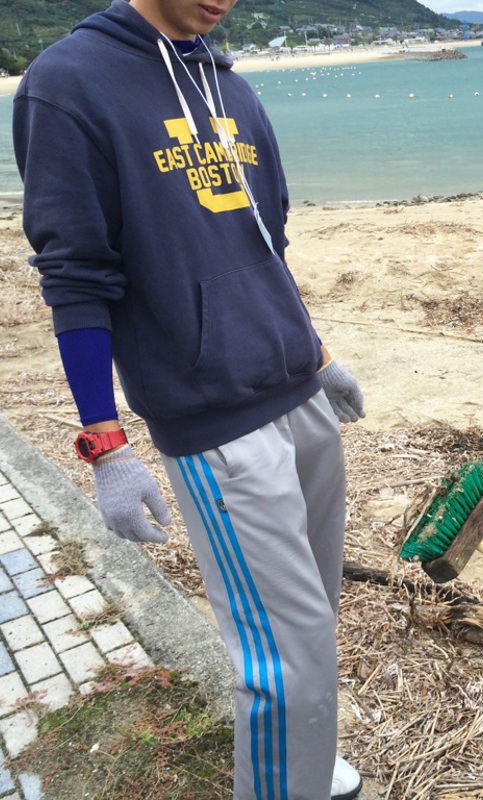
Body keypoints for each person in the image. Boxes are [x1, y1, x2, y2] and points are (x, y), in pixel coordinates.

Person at [13, 1, 364, 798]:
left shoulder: (229, 86)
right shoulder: (68, 85)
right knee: (281, 659)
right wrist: (105, 444)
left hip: (299, 396)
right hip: (214, 421)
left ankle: (303, 761)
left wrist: (318, 354)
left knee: (314, 620)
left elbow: (265, 247)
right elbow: (76, 276)